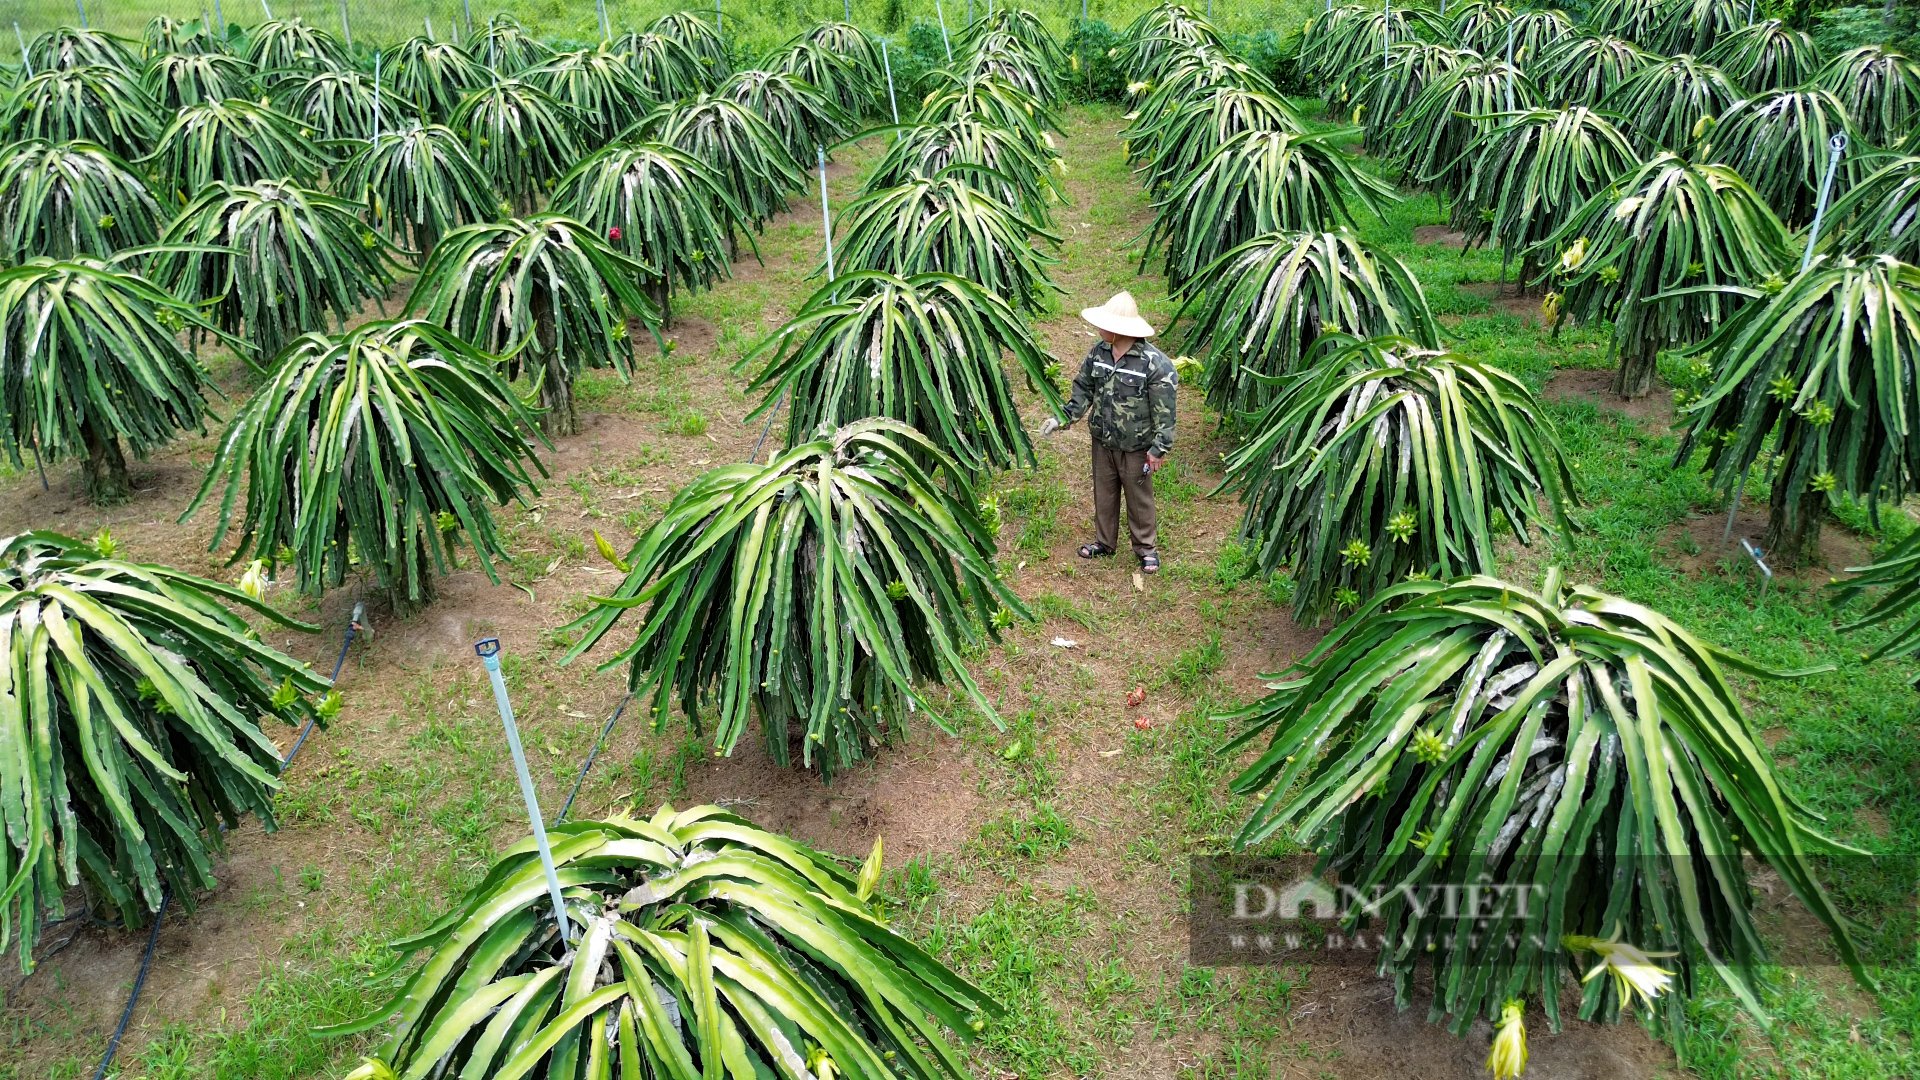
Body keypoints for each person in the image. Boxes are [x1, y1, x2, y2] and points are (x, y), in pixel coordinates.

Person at [1037, 291, 1177, 574]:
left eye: (1104, 324)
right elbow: (1083, 391)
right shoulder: (1098, 353)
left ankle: (1146, 548)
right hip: (1103, 440)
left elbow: (1165, 410)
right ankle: (1105, 542)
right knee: (1105, 492)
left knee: (1139, 497)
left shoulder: (1154, 364)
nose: (1098, 329)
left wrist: (1159, 449)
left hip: (1137, 445)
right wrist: (1061, 419)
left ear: (1119, 329)